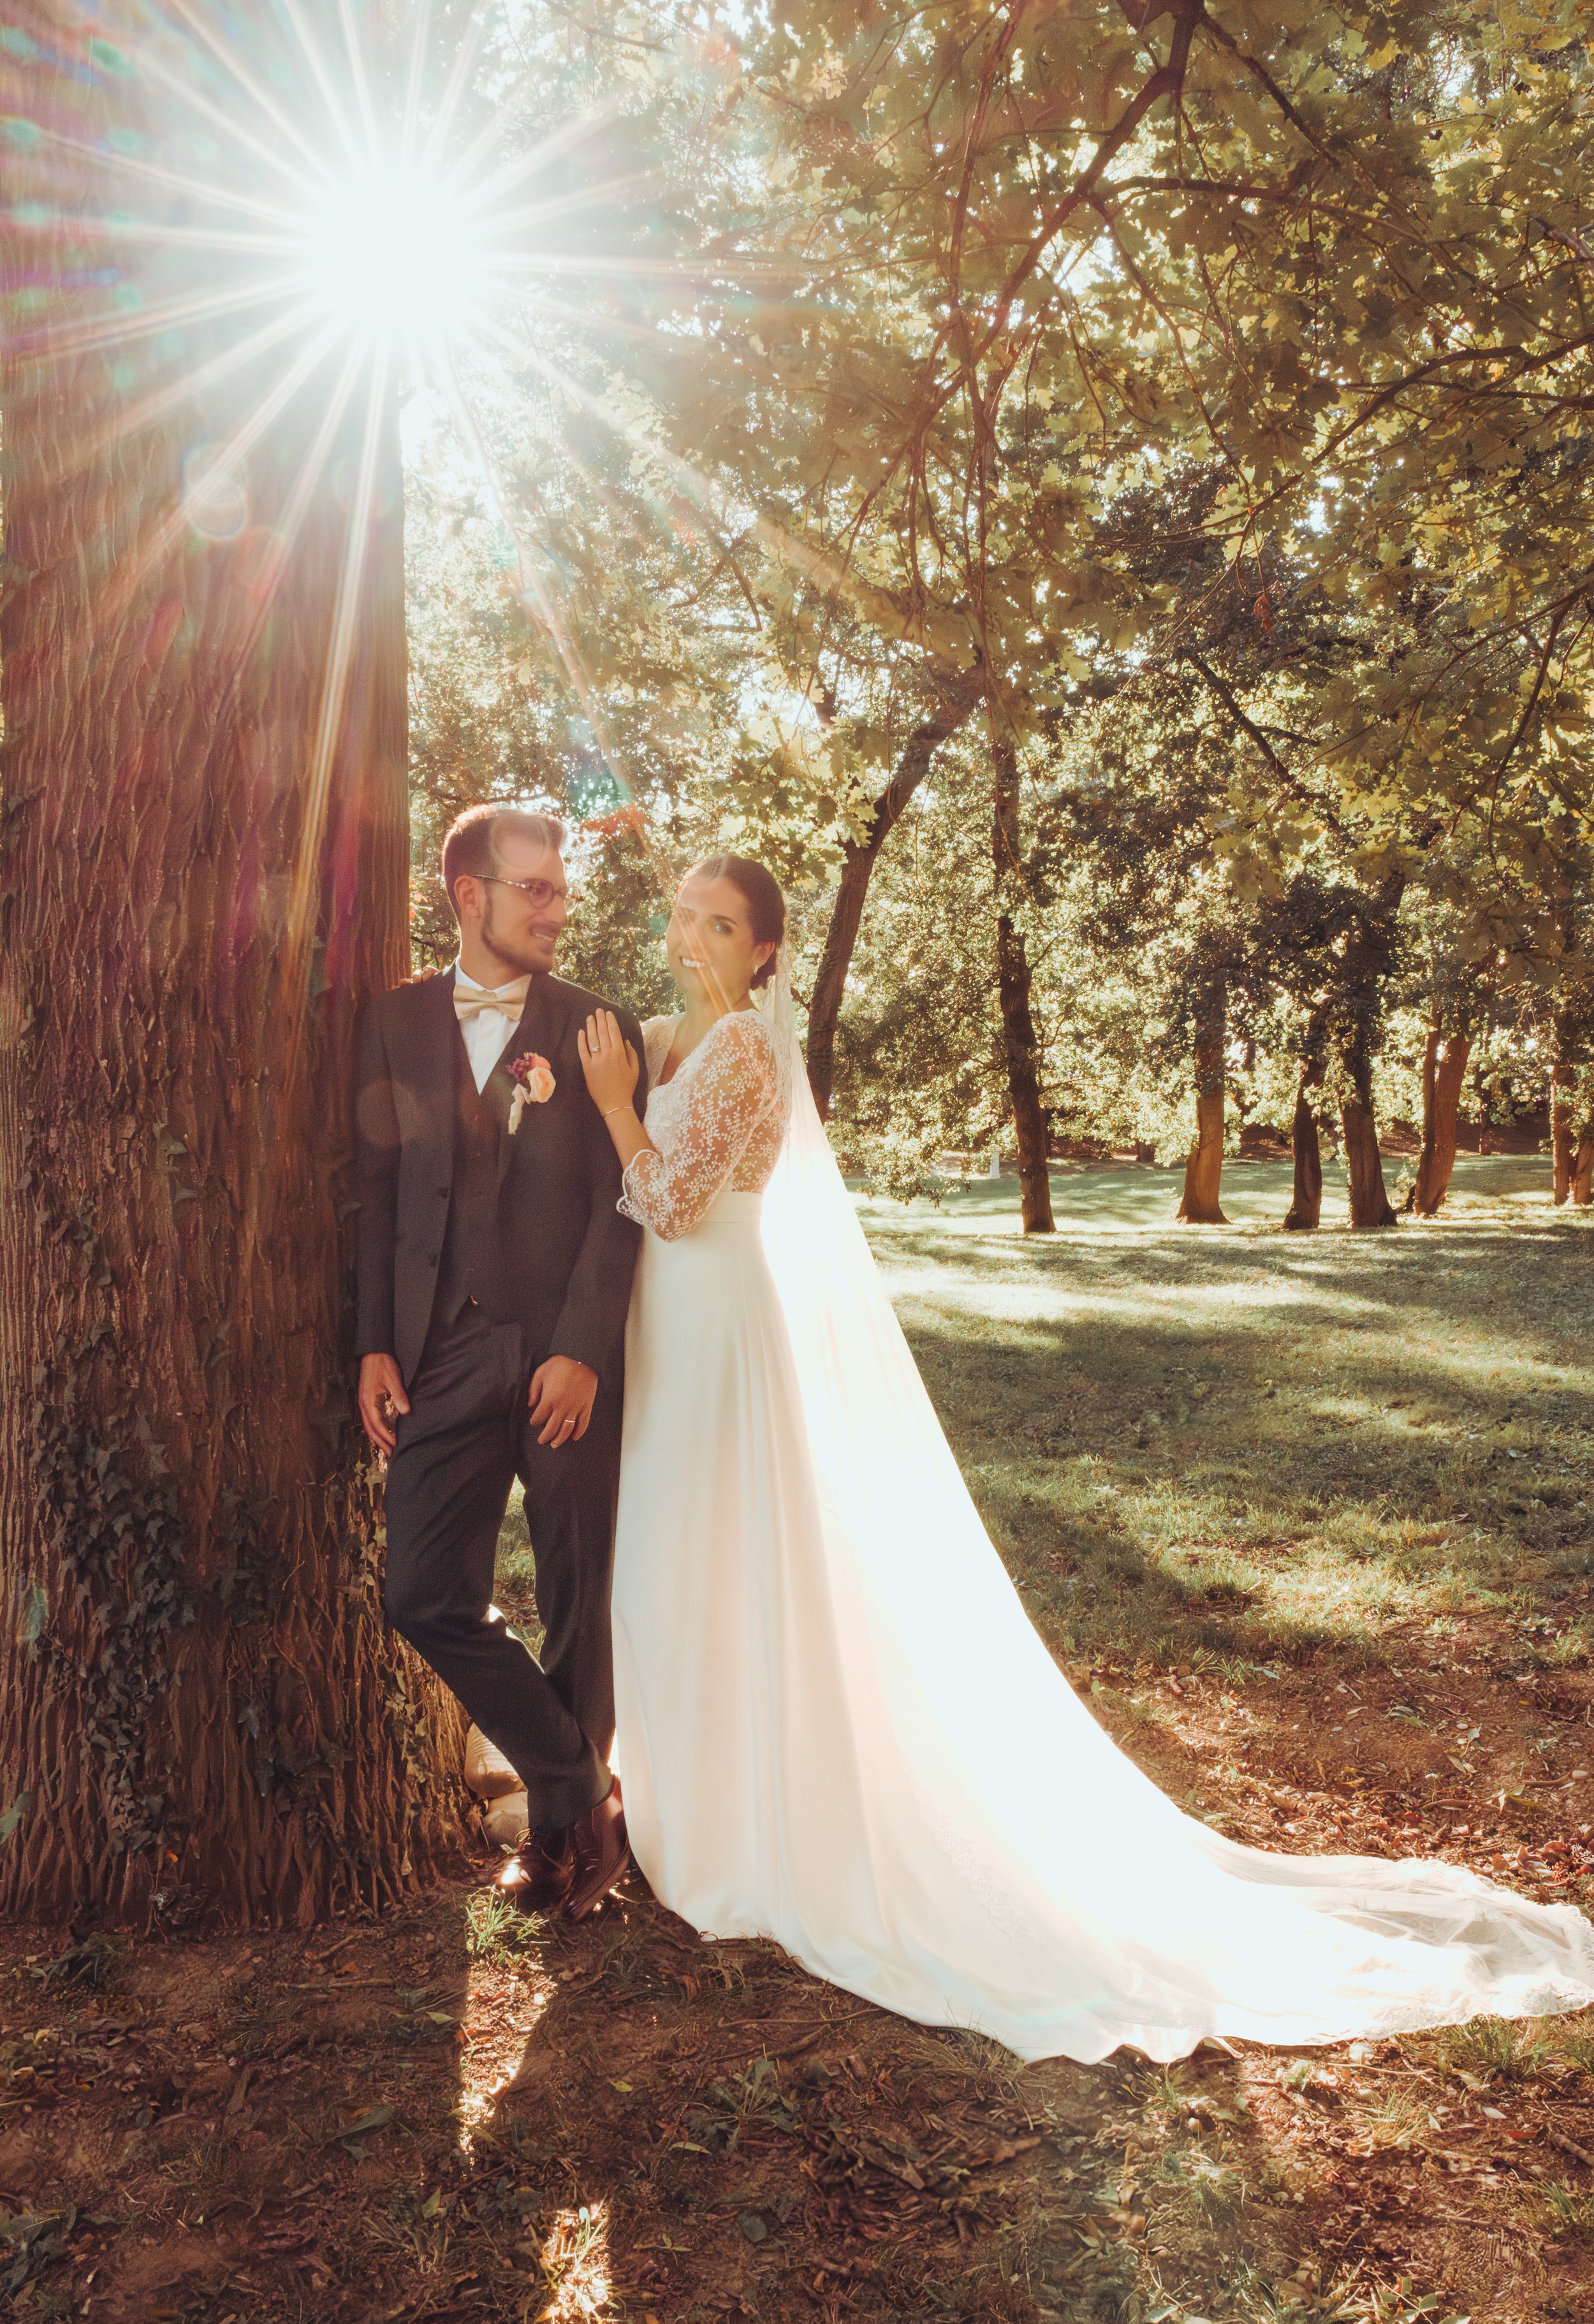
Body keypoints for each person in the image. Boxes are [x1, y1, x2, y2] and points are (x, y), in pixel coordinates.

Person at [576, 852, 1594, 2064]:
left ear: (766, 952)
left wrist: (609, 1105)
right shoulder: (659, 1033)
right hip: (664, 1331)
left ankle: (748, 1823)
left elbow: (677, 1199)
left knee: (726, 1554)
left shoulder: (743, 1047)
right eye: (685, 912)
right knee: (670, 1561)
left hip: (721, 1317)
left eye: (723, 922)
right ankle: (685, 1787)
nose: (695, 934)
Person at [354, 805, 644, 1922]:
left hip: (560, 1350)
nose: (557, 906)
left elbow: (625, 1201)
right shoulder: (394, 1020)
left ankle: (568, 1844)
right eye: (534, 888)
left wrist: (580, 1348)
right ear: (469, 895)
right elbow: (375, 1192)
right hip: (438, 1347)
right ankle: (577, 1782)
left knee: (579, 1588)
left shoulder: (595, 1026)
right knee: (422, 1593)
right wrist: (374, 1337)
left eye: (560, 888)